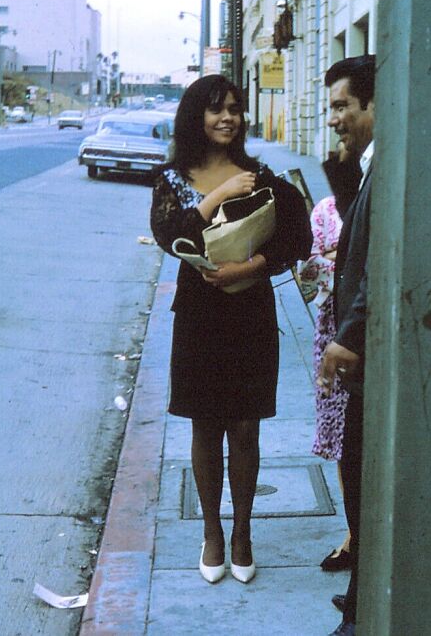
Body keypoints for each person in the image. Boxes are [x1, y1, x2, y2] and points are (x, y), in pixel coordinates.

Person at [150, 74, 312, 584]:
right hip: (199, 316)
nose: (228, 118)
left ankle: (243, 533)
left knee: (245, 426)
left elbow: (298, 234)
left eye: (235, 109)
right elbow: (167, 235)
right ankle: (212, 532)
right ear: (196, 116)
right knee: (205, 425)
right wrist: (217, 194)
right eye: (216, 108)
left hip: (250, 315)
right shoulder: (174, 178)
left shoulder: (260, 175)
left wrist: (254, 265)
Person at [318, 55, 376, 636]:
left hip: (367, 353)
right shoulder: (368, 167)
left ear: (376, 106)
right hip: (359, 353)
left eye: (343, 107)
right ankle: (359, 595)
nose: (334, 118)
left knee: (362, 479)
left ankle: (362, 612)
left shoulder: (390, 168)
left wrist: (347, 336)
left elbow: (378, 266)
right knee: (355, 473)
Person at [299, 142, 361, 574]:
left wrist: (341, 258)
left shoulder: (382, 196)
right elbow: (312, 267)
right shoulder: (324, 209)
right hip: (333, 333)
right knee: (343, 441)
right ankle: (353, 533)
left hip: (362, 333)